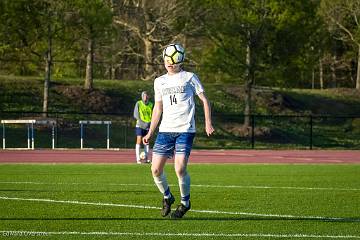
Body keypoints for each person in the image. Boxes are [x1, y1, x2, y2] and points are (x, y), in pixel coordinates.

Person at [143, 43, 215, 219]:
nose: (169, 62)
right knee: (155, 170)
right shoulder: (159, 81)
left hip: (185, 130)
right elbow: (158, 109)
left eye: (173, 60)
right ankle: (167, 197)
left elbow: (204, 100)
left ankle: (185, 203)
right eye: (167, 59)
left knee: (180, 168)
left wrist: (207, 123)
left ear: (180, 60)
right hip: (165, 131)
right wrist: (150, 132)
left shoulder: (189, 77)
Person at [133, 91, 153, 164]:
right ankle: (138, 159)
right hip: (140, 125)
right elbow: (136, 115)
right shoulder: (138, 103)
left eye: (147, 96)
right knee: (139, 140)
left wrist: (149, 123)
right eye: (144, 96)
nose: (145, 97)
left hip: (148, 126)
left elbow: (153, 115)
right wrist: (142, 123)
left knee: (146, 142)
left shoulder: (151, 104)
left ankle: (147, 158)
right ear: (142, 96)